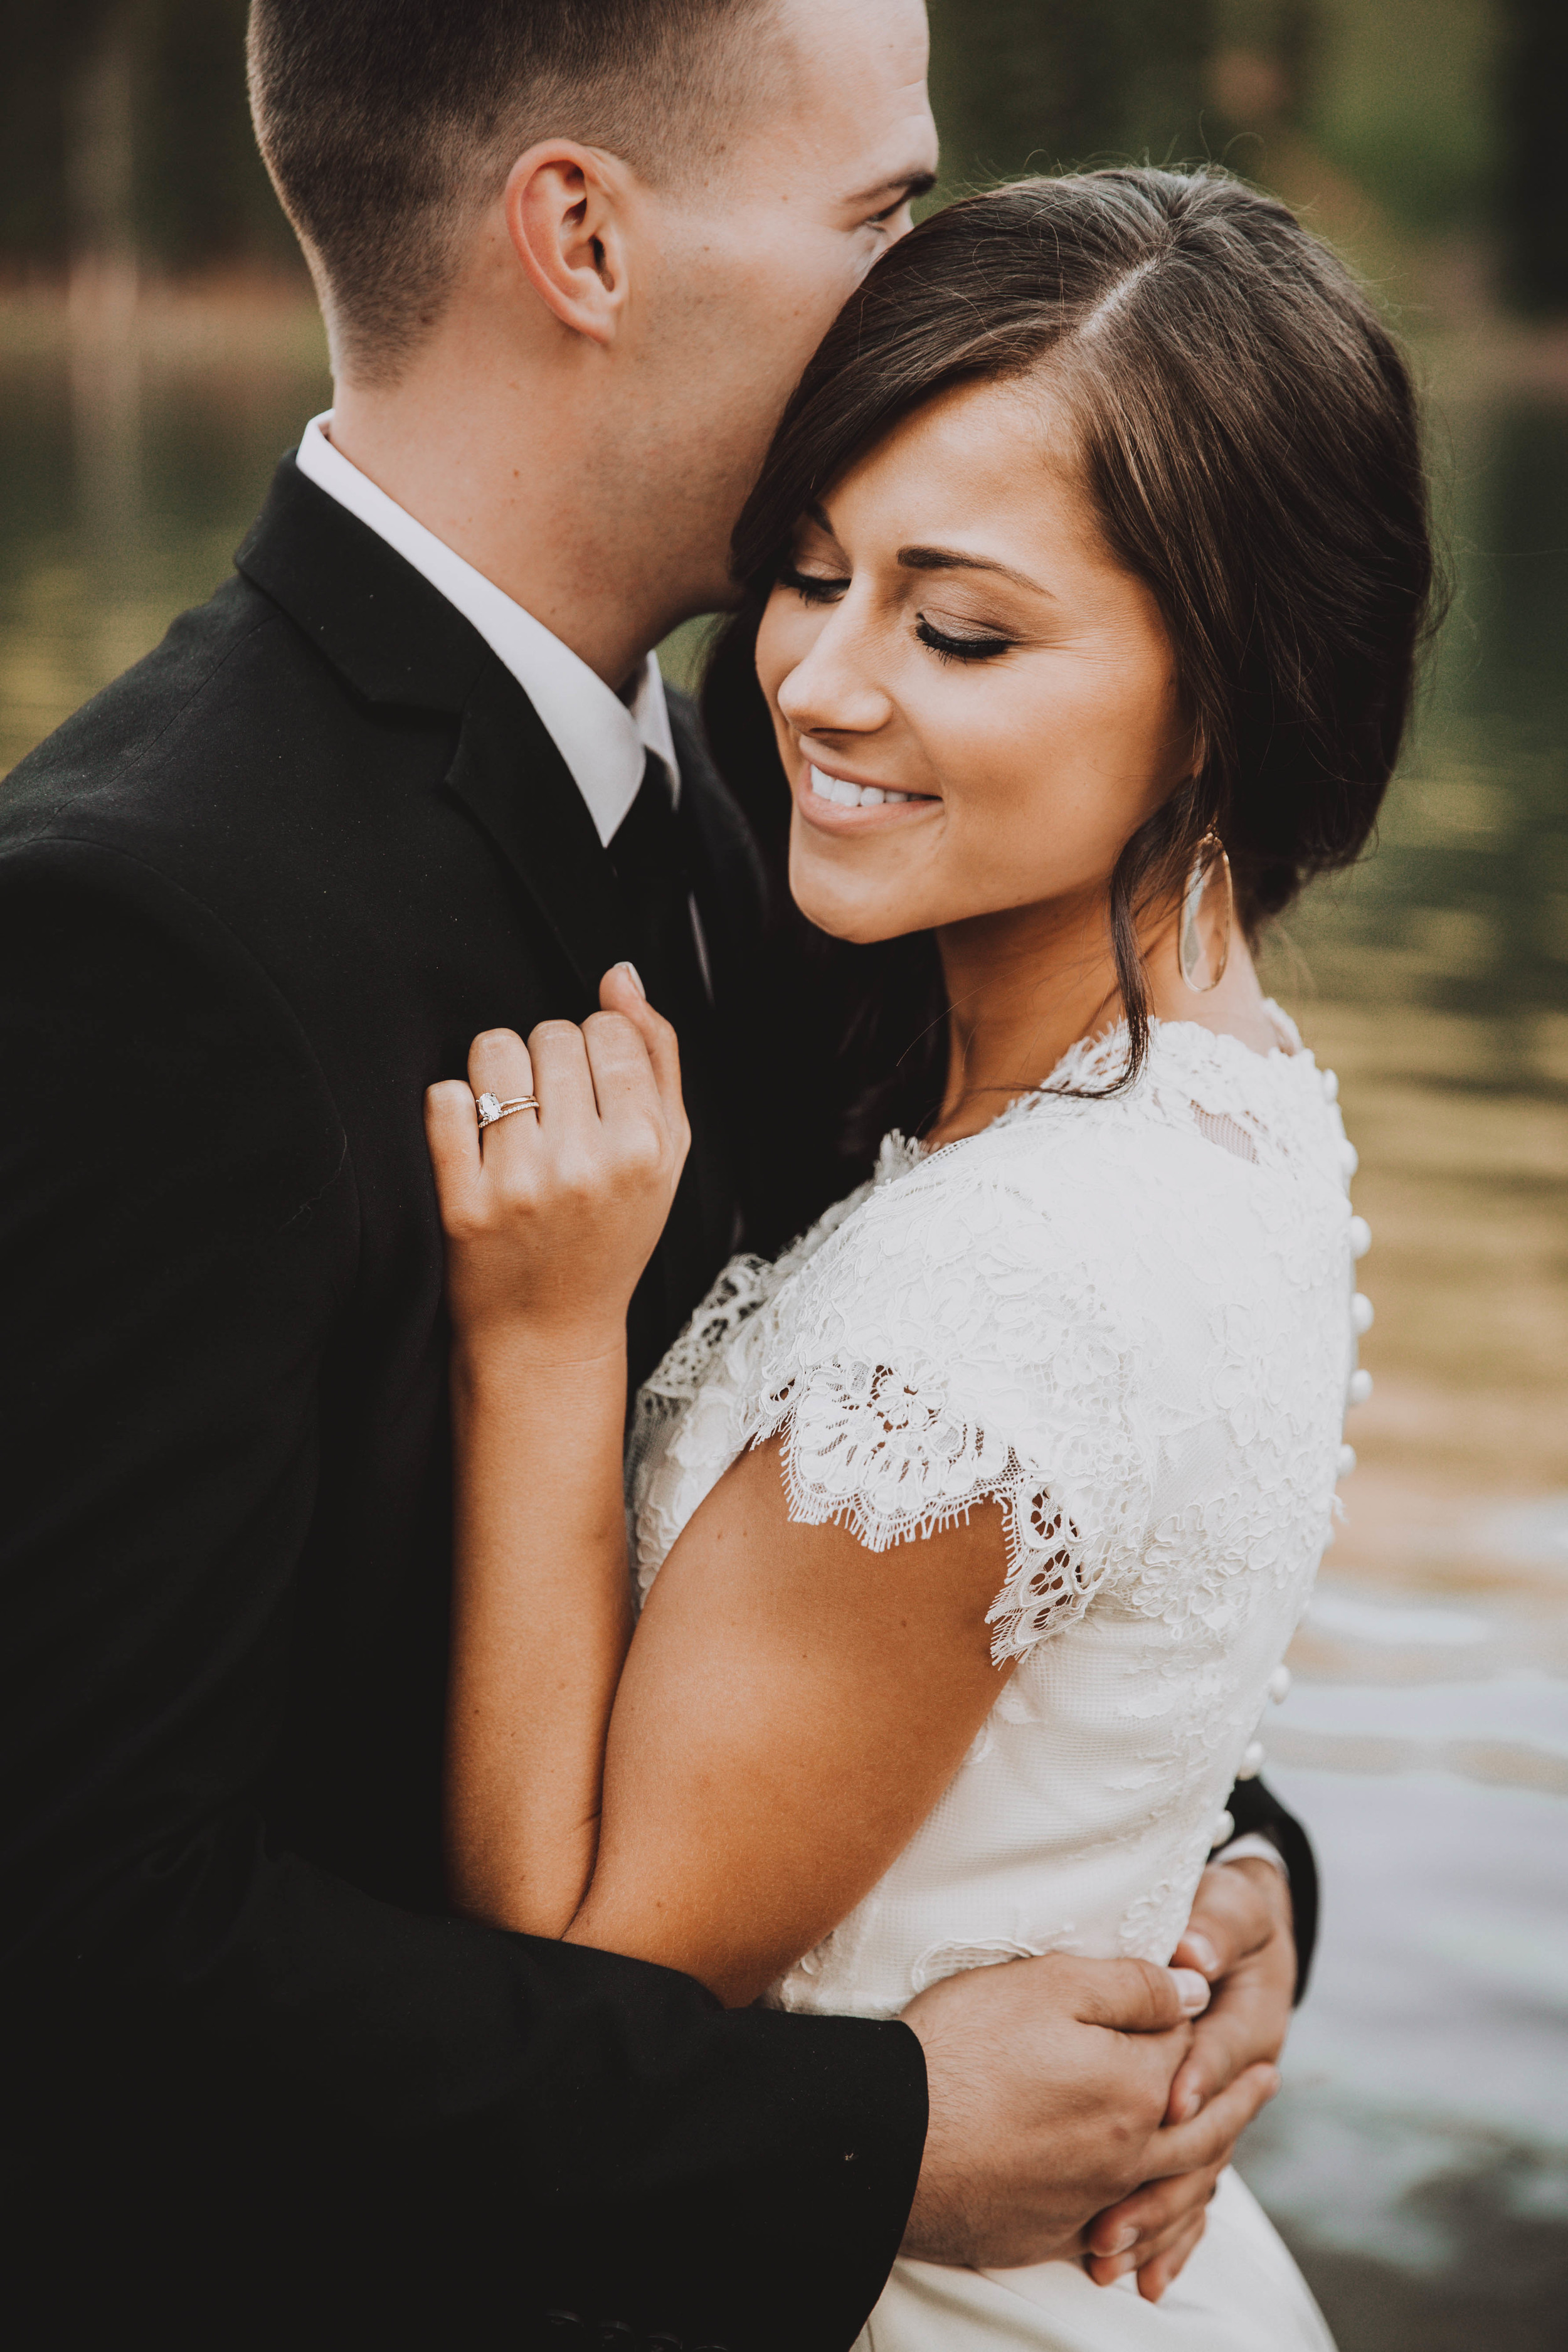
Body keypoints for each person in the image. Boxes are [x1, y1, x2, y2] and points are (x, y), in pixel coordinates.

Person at [0, 4, 1310, 2344]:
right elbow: (83, 1932)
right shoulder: (145, 937)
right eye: (880, 212)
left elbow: (941, 1473)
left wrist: (1195, 1852)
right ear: (583, 239)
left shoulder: (759, 792)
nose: (934, 290)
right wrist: (872, 2138)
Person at [423, 164, 1434, 2351]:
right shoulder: (1236, 1104)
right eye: (805, 576)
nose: (817, 681)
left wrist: (540, 1342)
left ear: (1229, 692)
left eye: (957, 628)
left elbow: (586, 1993)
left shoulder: (987, 1316)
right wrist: (1225, 1879)